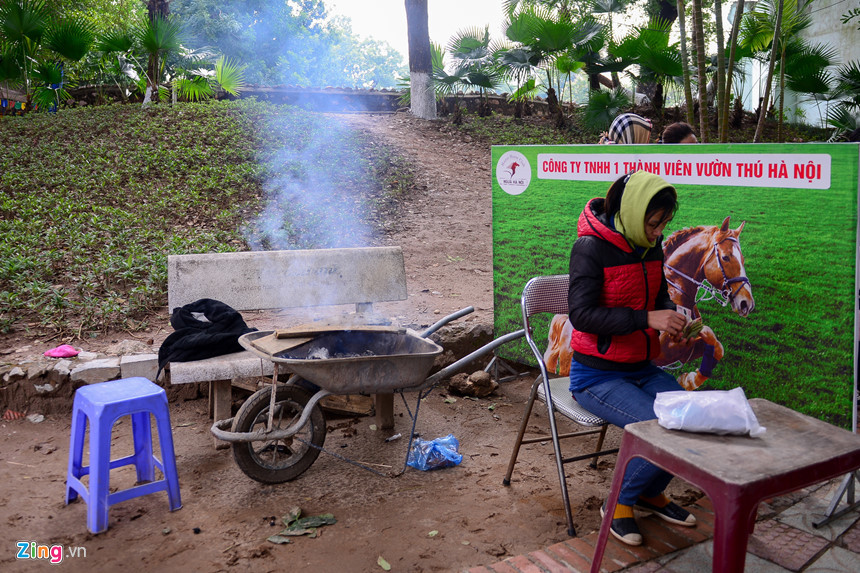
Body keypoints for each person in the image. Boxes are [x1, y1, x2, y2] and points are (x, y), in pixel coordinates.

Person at [567, 170, 697, 546]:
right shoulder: (590, 248)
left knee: (688, 417)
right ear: (632, 210)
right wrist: (646, 319)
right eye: (653, 223)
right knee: (658, 426)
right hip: (596, 376)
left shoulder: (648, 247)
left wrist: (673, 315)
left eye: (663, 225)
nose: (657, 233)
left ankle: (648, 493)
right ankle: (619, 504)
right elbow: (582, 315)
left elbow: (656, 298)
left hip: (641, 367)